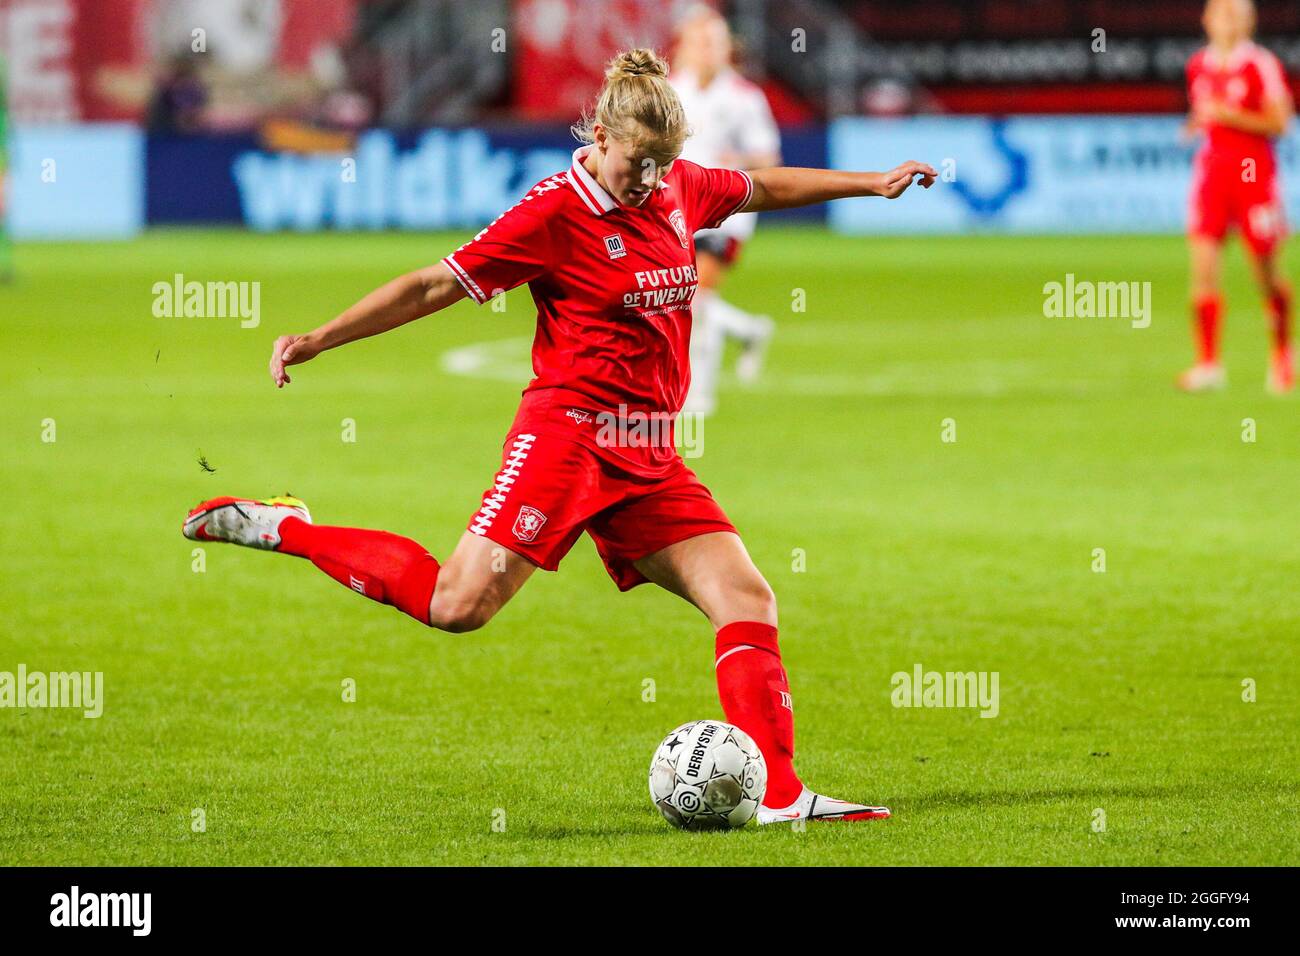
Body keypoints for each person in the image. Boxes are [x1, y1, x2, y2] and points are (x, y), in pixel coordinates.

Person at [183, 48, 936, 824]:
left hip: (647, 450)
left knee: (746, 595)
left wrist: (870, 183)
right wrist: (320, 338)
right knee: (457, 605)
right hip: (567, 440)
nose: (648, 180)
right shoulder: (555, 212)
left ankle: (779, 794)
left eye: (662, 165)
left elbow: (760, 186)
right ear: (602, 136)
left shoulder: (678, 186)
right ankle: (291, 527)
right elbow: (435, 284)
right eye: (638, 163)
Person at [672, 6, 782, 415]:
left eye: (715, 42)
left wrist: (739, 159)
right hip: (676, 209)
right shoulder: (669, 91)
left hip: (726, 209)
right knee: (679, 296)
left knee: (696, 296)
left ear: (727, 49)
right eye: (701, 42)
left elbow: (769, 160)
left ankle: (699, 394)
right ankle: (750, 330)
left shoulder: (745, 98)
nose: (707, 50)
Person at [1180, 0, 1294, 393]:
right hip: (1213, 176)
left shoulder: (1259, 64)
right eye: (1222, 14)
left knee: (1265, 273)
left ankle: (1282, 355)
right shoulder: (1198, 65)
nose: (1229, 22)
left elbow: (1280, 122)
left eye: (1237, 15)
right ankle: (1208, 364)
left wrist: (1230, 115)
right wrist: (1196, 124)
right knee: (1203, 266)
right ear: (1207, 20)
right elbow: (1205, 112)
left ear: (1249, 22)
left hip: (1253, 176)